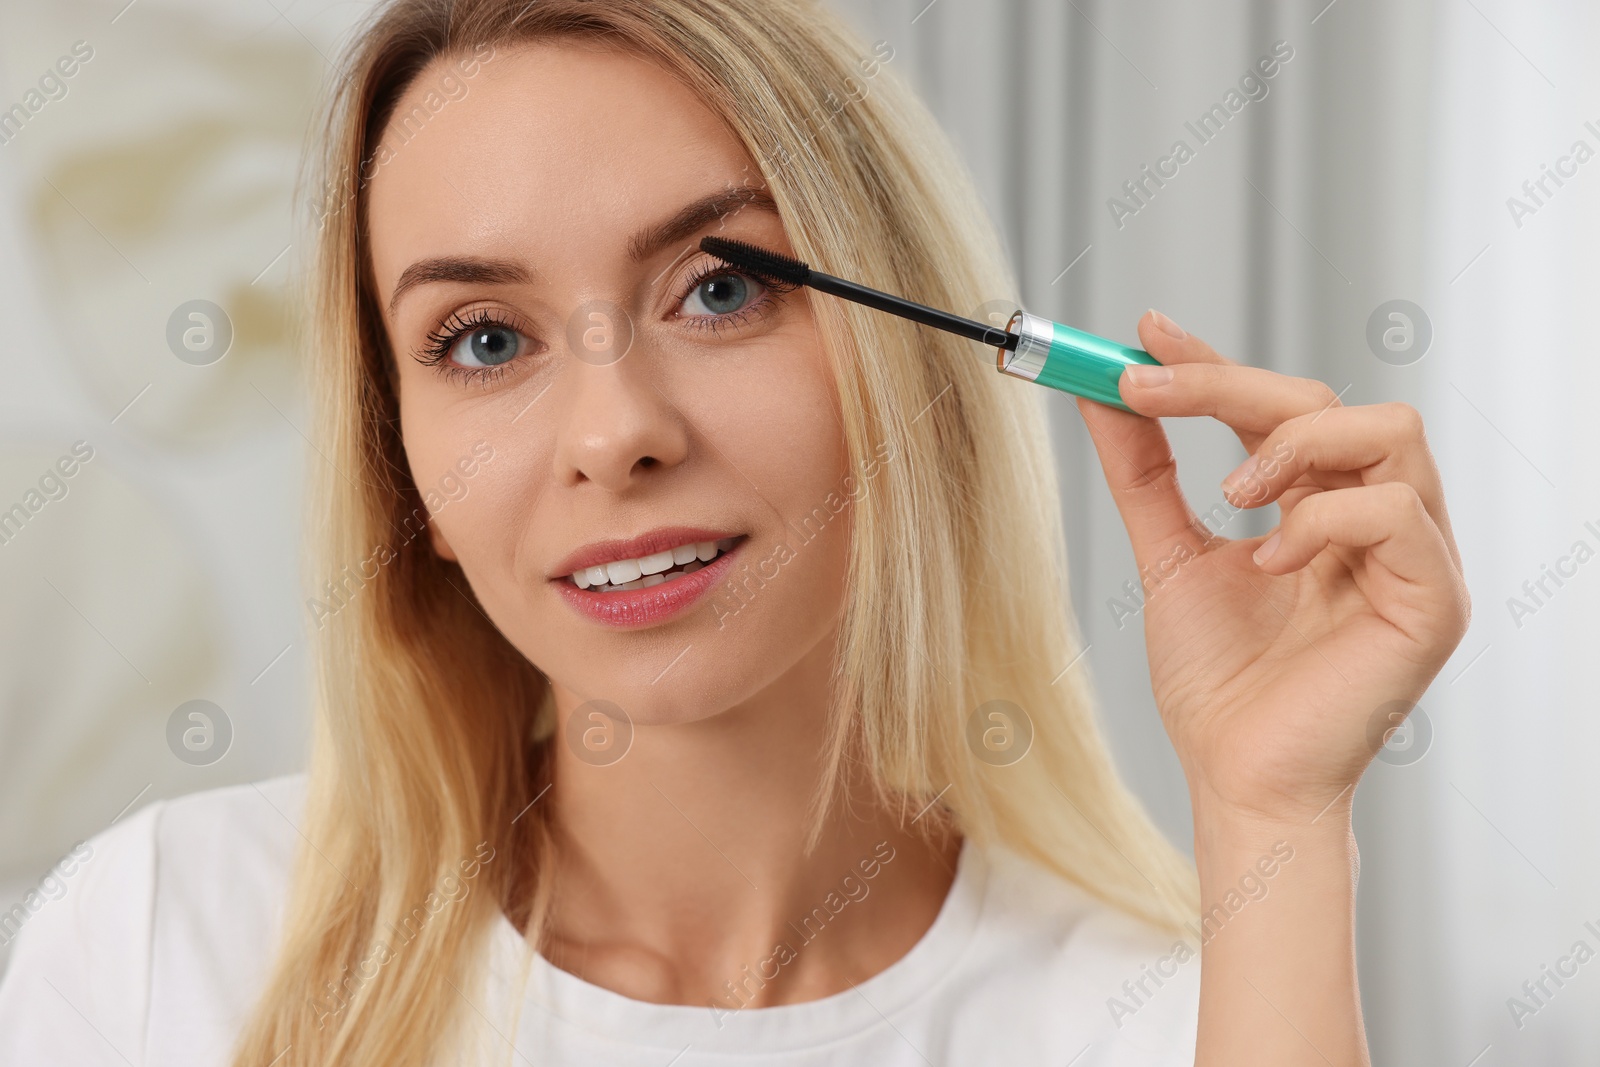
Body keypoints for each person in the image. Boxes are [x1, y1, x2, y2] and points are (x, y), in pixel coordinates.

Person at [0, 0, 1469, 1064]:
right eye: (484, 340)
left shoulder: (1166, 1020)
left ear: (908, 365)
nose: (611, 433)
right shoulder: (157, 947)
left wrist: (1275, 818)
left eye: (719, 288)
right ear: (406, 480)